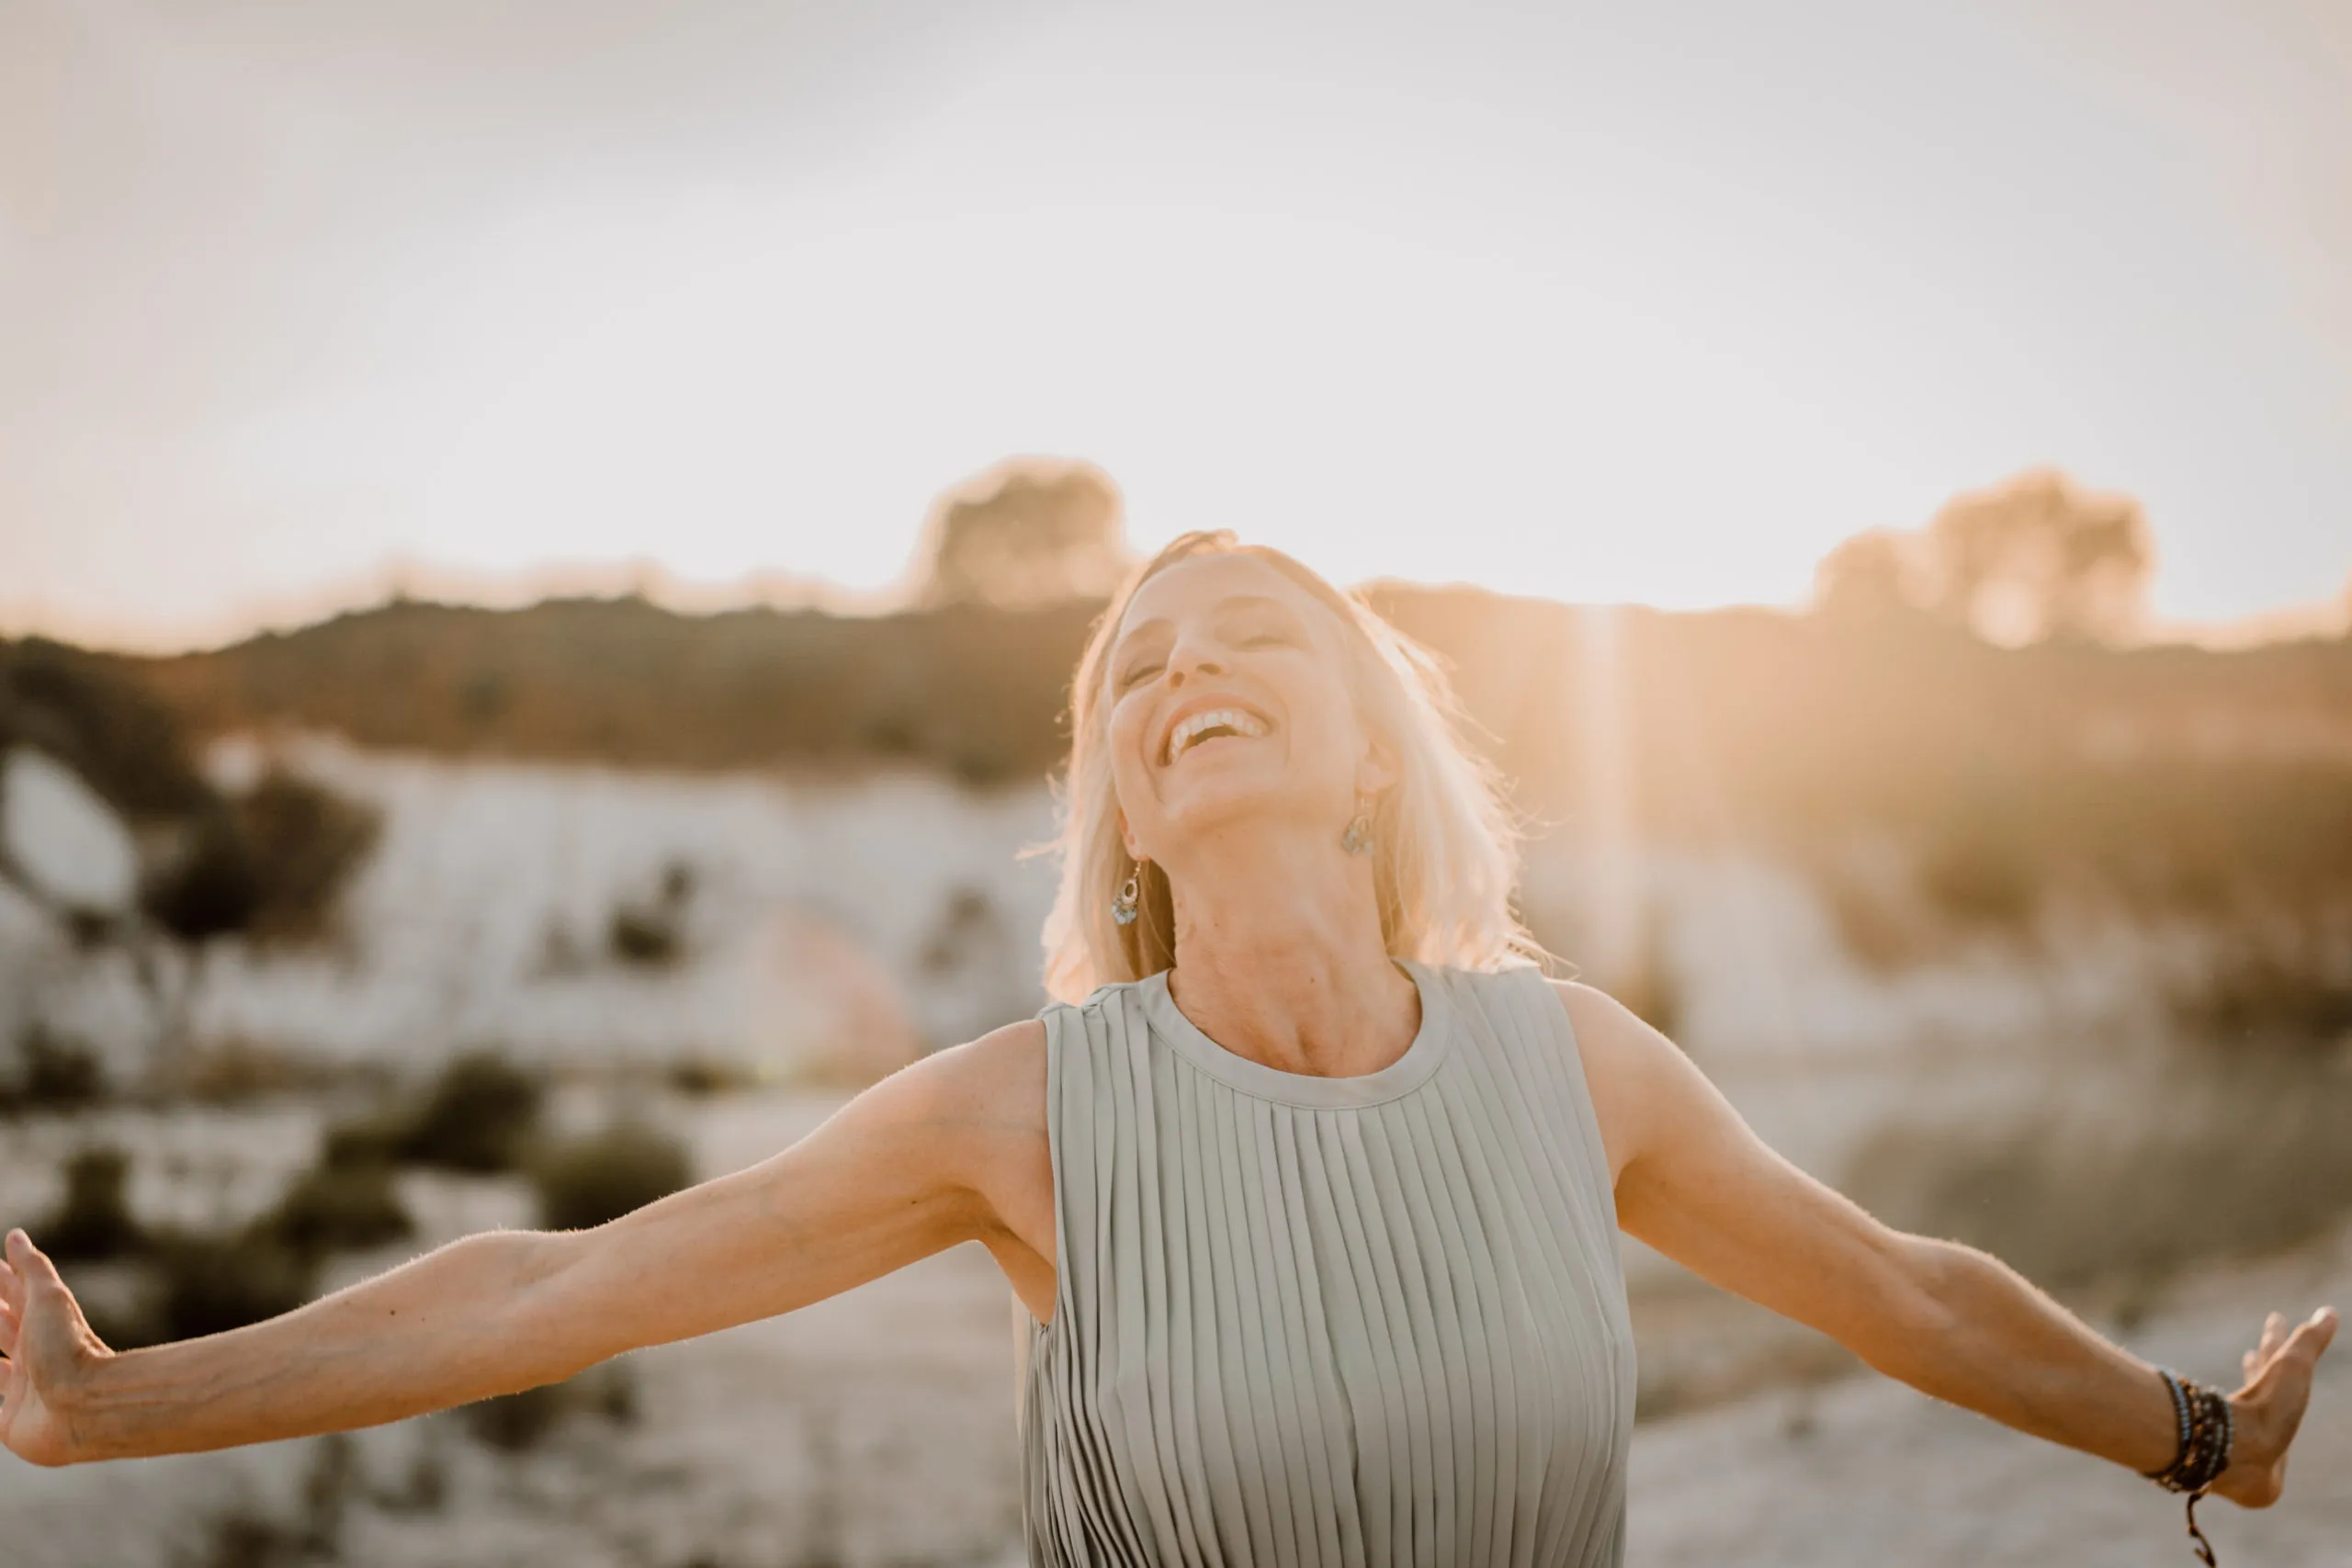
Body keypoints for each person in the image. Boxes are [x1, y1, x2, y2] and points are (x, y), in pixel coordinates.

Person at [0, 532, 2335, 1566]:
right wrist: (115, 1406)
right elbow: (547, 1282)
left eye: (1249, 641)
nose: (1177, 671)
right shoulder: (1029, 1113)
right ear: (1114, 793)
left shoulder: (1574, 1070)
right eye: (1130, 664)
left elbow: (1906, 1290)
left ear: (1360, 755)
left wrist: (2203, 1437)